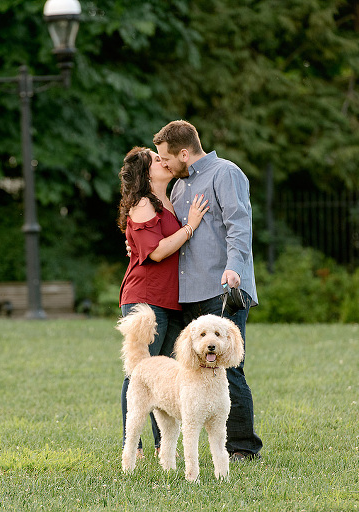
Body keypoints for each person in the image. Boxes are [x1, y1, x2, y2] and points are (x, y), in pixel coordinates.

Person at [152, 120, 263, 461]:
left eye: (166, 158)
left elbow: (239, 224)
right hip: (189, 294)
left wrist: (234, 266)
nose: (164, 165)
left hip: (224, 287)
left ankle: (242, 447)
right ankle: (172, 447)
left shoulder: (225, 173)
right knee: (189, 370)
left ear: (184, 153)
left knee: (229, 368)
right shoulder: (180, 187)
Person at [117, 146, 209, 458]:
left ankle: (162, 446)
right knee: (140, 372)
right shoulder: (143, 203)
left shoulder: (169, 197)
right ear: (145, 173)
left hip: (170, 298)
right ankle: (135, 448)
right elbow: (155, 251)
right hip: (145, 297)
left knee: (167, 376)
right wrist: (191, 226)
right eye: (156, 160)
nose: (163, 161)